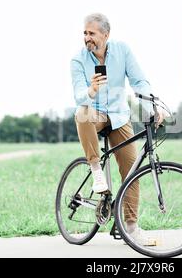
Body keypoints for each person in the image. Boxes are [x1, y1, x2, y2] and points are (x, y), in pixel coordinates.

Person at [71, 13, 165, 246]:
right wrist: (91, 90)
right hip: (95, 114)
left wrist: (151, 106)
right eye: (85, 33)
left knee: (131, 168)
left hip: (119, 117)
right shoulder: (78, 60)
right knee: (81, 113)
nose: (87, 38)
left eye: (91, 33)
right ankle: (96, 170)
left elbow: (139, 81)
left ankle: (130, 228)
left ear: (106, 34)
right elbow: (78, 96)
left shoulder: (122, 50)